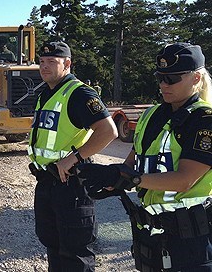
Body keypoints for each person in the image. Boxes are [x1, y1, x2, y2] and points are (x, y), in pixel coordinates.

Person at [76, 43, 212, 271]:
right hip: (152, 235)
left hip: (193, 240)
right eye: (160, 77)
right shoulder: (151, 115)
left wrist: (130, 178)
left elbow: (185, 179)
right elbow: (133, 162)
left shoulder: (204, 120)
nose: (163, 85)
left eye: (172, 78)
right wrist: (111, 179)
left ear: (196, 78)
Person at [28, 41, 118, 271]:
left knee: (75, 252)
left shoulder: (78, 93)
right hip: (48, 180)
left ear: (67, 64)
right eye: (42, 62)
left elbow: (108, 131)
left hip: (72, 182)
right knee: (54, 245)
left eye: (52, 62)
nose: (44, 67)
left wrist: (74, 157)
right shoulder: (46, 94)